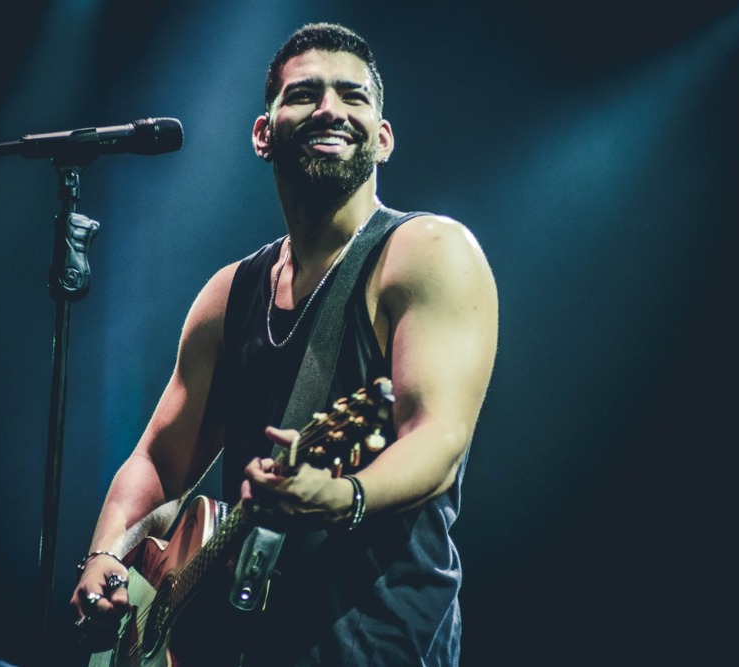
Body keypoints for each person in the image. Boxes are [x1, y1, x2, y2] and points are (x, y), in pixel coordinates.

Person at [71, 22, 498, 666]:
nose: (330, 108)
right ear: (263, 133)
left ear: (382, 137)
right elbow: (161, 459)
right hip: (237, 644)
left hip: (374, 640)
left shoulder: (427, 253)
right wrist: (106, 553)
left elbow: (437, 436)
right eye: (305, 94)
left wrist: (343, 496)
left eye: (353, 95)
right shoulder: (229, 294)